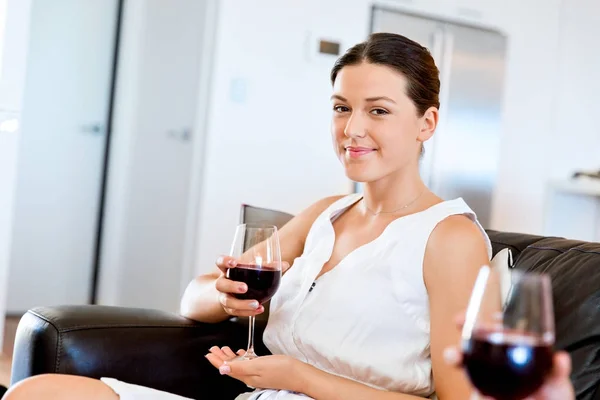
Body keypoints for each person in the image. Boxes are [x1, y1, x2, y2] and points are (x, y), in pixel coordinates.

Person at [4, 33, 576, 400]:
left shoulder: (449, 237)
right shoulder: (326, 214)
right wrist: (229, 299)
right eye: (341, 108)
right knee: (45, 392)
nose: (353, 129)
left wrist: (301, 378)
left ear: (426, 123)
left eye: (379, 111)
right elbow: (194, 297)